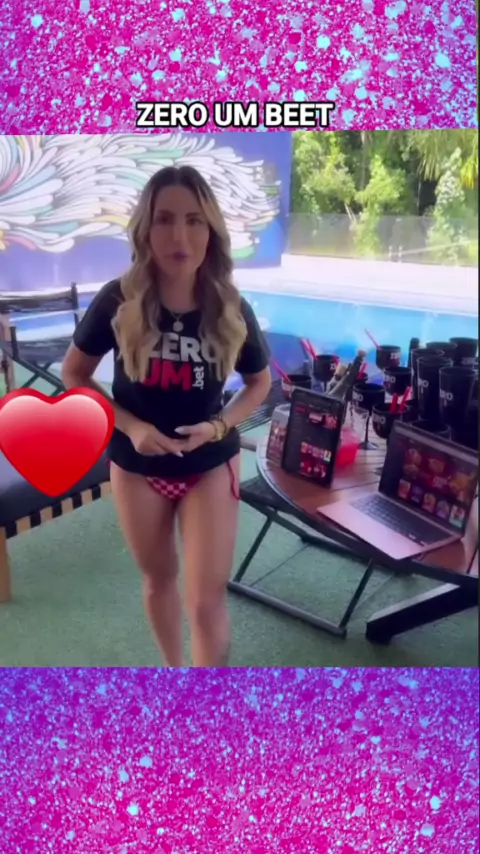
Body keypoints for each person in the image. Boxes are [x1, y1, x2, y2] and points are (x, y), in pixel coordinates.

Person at [61, 165, 272, 668]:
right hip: (137, 467)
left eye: (194, 220)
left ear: (211, 230)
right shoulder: (118, 300)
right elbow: (74, 374)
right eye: (165, 219)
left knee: (204, 602)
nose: (180, 236)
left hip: (209, 465)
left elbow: (259, 384)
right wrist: (132, 427)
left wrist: (219, 426)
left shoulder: (230, 306)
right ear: (146, 229)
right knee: (159, 580)